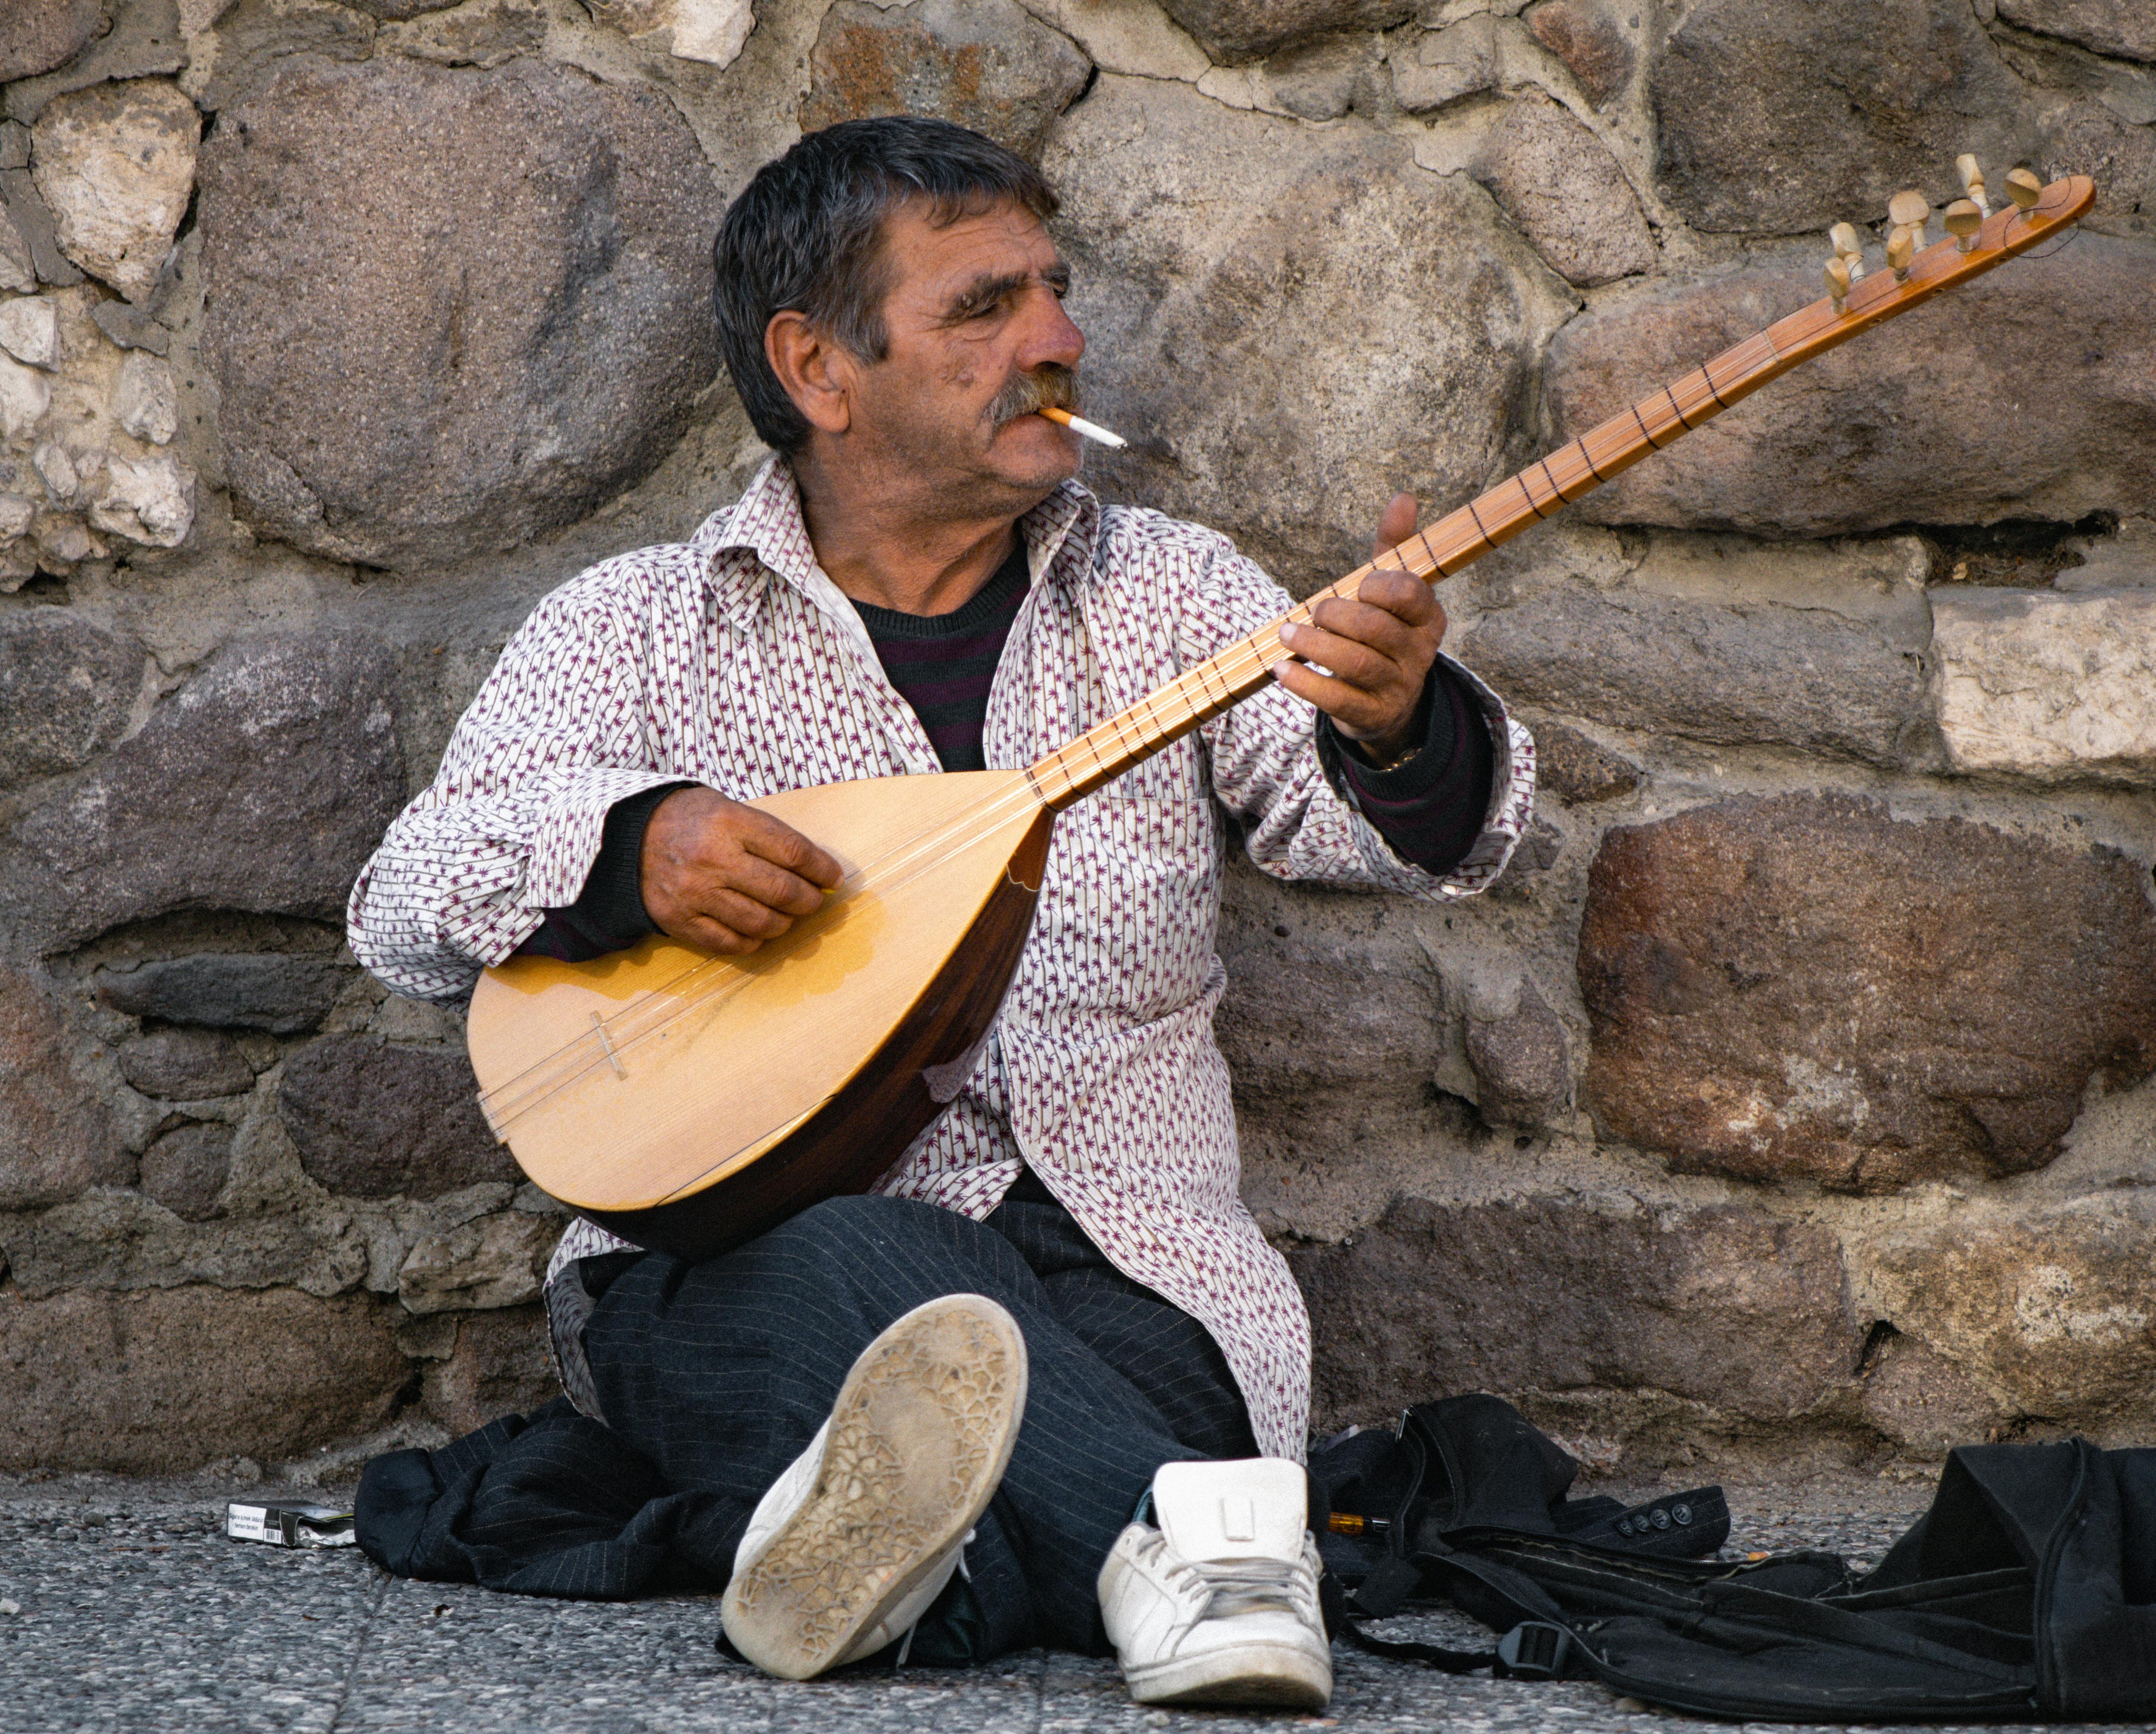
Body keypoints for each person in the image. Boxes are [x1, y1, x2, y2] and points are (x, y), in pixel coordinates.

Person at [348, 115, 1535, 1708]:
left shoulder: (1175, 598)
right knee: (877, 1270)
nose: (1057, 339)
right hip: (745, 1258)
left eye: (1053, 291)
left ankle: (943, 1565)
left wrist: (1395, 725)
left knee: (1143, 1377)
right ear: (818, 368)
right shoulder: (642, 627)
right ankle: (1202, 1565)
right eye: (982, 308)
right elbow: (403, 904)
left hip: (1135, 1265)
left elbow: (1392, 839)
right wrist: (628, 849)